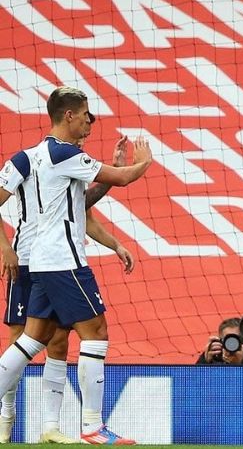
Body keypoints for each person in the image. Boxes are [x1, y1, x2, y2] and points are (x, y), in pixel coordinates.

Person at [0, 86, 152, 445]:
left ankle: (52, 427)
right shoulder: (61, 154)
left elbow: (80, 204)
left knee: (34, 340)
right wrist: (143, 162)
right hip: (61, 260)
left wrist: (114, 241)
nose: (90, 120)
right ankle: (93, 427)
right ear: (68, 115)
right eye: (86, 114)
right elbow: (125, 177)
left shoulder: (38, 157)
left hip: (39, 261)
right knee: (95, 333)